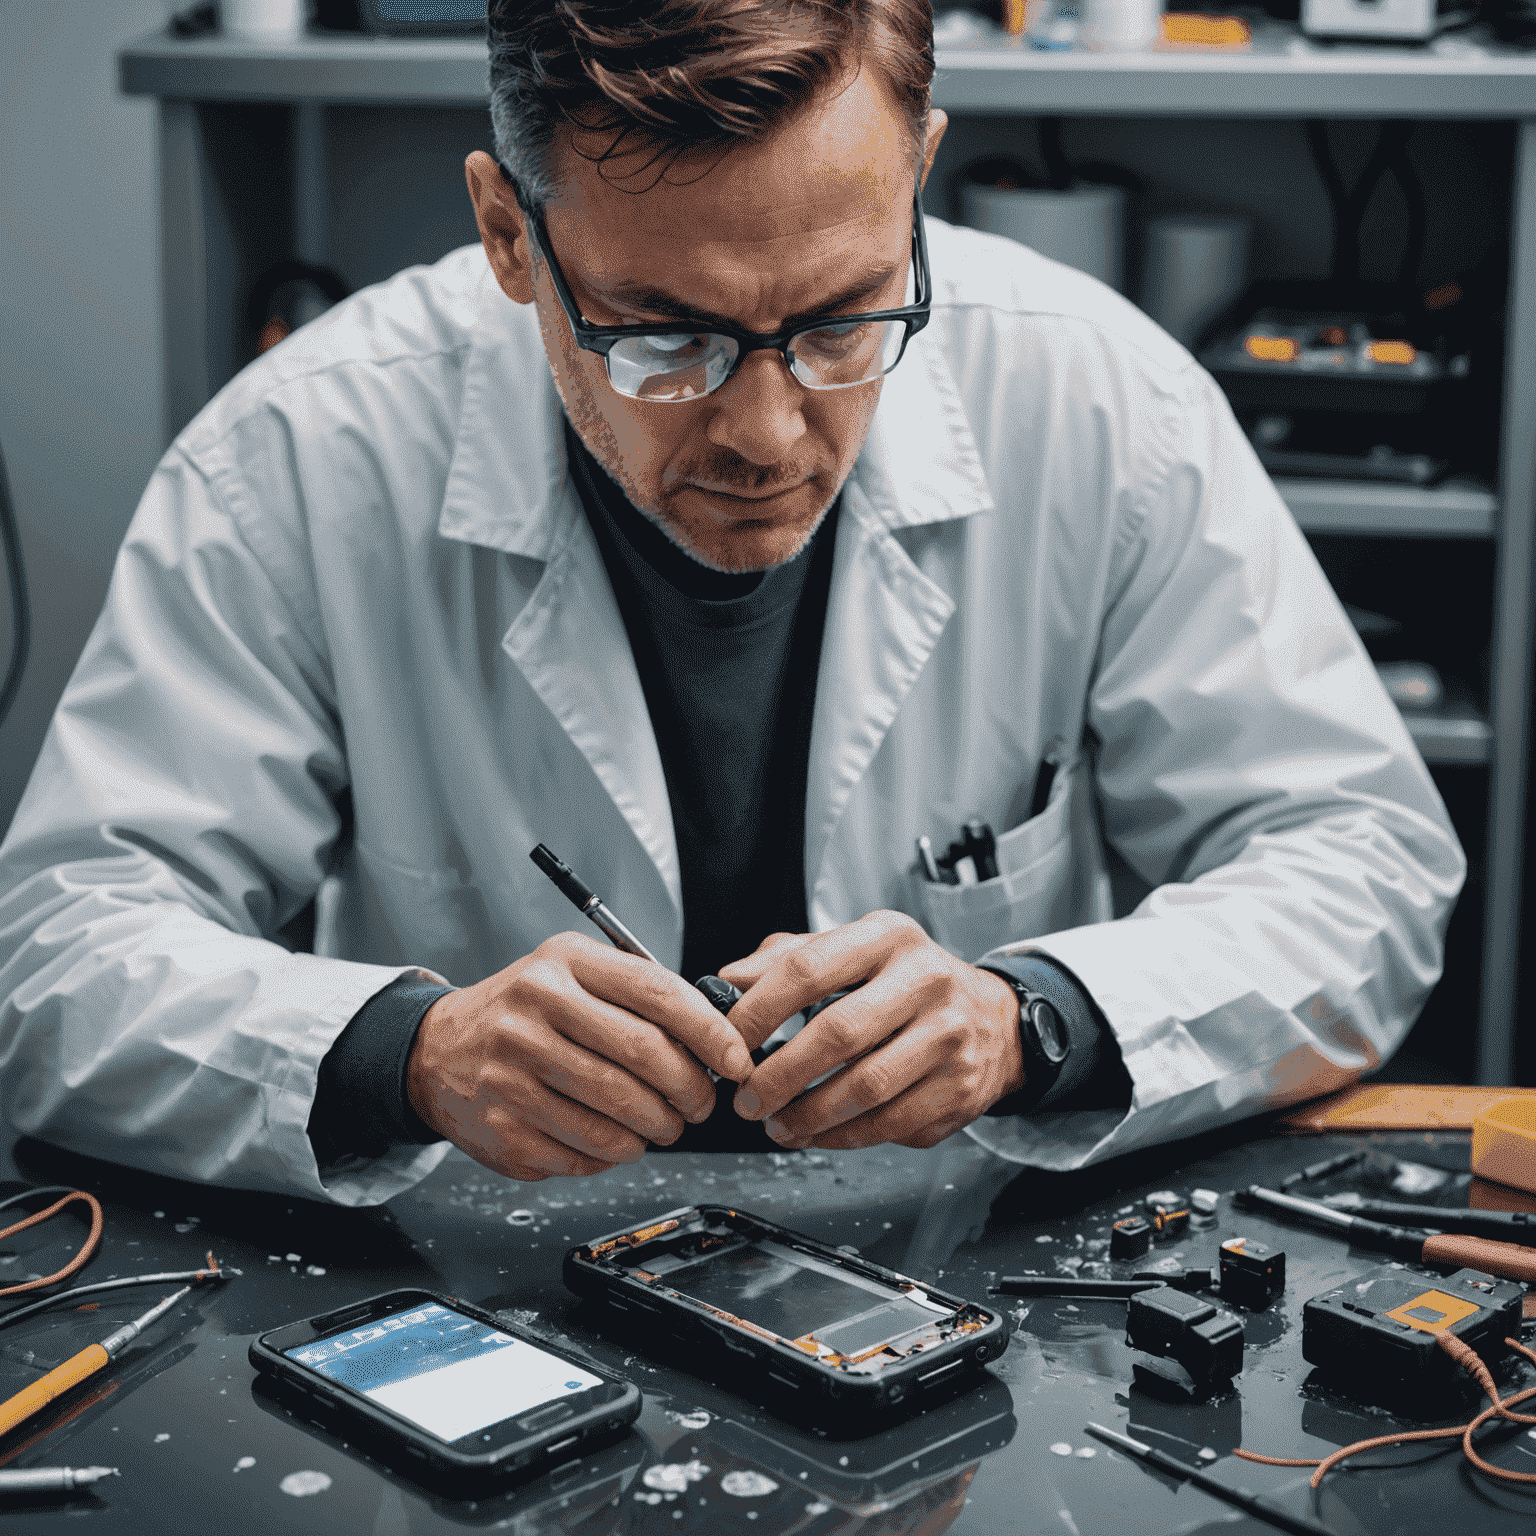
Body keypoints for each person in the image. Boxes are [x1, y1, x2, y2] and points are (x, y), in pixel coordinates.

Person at [0, 0, 1462, 1205]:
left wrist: (1031, 1020)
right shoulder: (303, 457)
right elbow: (57, 959)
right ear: (512, 236)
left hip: (968, 1266)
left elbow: (1363, 866)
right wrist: (403, 1053)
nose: (767, 435)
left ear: (919, 177)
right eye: (663, 337)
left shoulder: (1100, 404)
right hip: (491, 1275)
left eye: (842, 318)